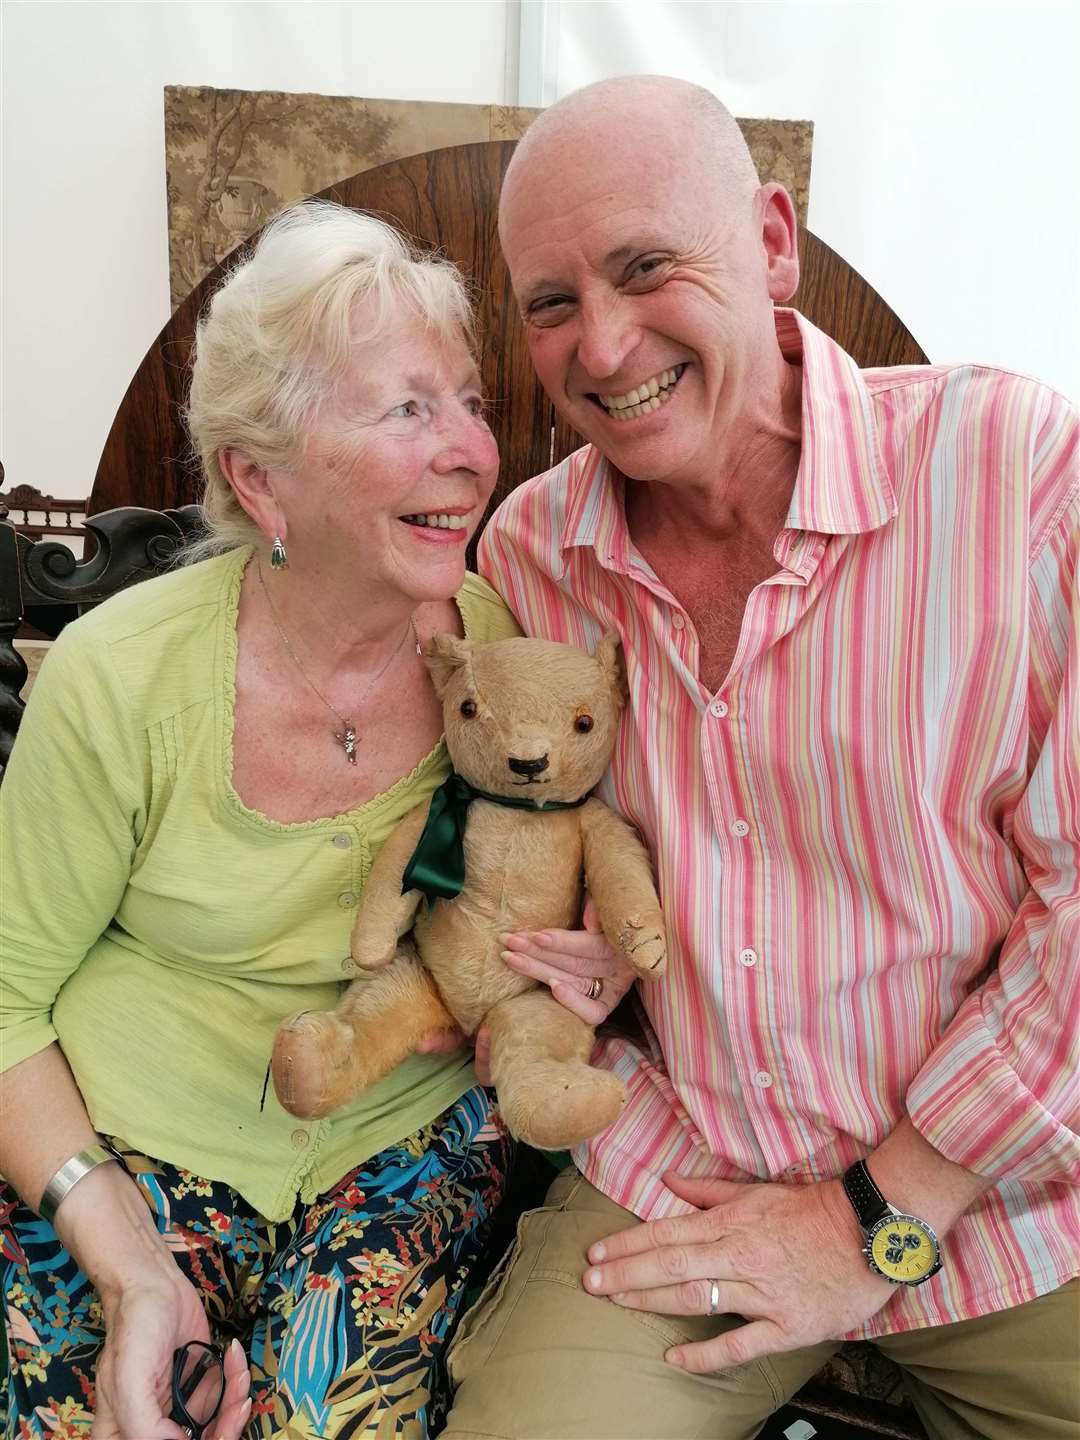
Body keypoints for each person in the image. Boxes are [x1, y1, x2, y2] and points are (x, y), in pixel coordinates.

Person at [443, 75, 1080, 1440]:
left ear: (774, 242)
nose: (603, 349)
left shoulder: (1017, 470)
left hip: (1013, 1200)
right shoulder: (527, 559)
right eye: (551, 302)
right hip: (683, 1180)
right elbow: (510, 858)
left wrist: (878, 1217)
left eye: (645, 267)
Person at [0, 201, 526, 1438]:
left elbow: (531, 891)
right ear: (257, 478)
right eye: (407, 408)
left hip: (398, 1136)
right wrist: (126, 1259)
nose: (469, 451)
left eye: (468, 401)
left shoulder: (499, 667)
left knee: (316, 1415)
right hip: (126, 1133)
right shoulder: (119, 677)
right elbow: (4, 998)